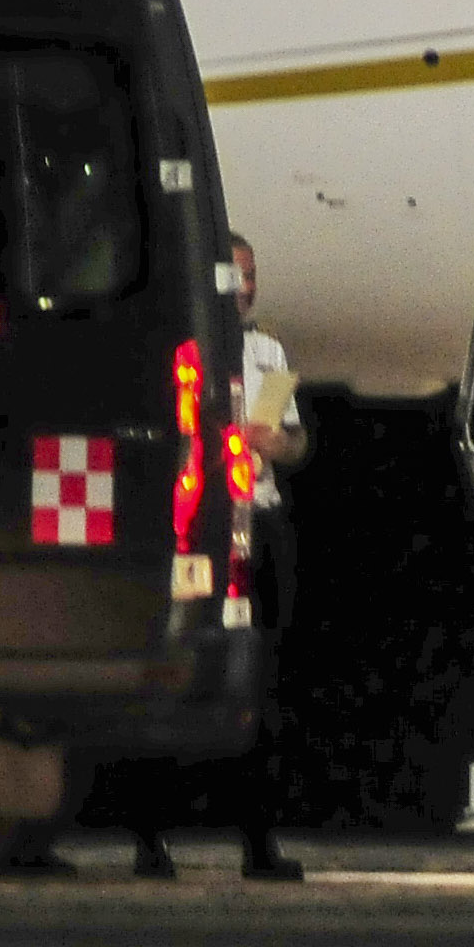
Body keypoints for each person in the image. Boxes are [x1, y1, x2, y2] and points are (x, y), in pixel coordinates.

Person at [121, 230, 309, 883]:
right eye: (236, 274)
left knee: (264, 685)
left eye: (253, 274)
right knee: (174, 676)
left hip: (257, 523)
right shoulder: (181, 347)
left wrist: (271, 440)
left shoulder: (268, 351)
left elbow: (293, 441)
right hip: (194, 529)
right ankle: (150, 837)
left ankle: (258, 841)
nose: (247, 286)